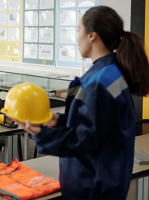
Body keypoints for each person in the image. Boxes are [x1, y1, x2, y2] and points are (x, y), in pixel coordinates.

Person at [12, 6, 149, 200]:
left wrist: (41, 134)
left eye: (78, 30)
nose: (77, 38)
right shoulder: (112, 74)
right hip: (107, 179)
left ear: (92, 36)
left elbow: (87, 137)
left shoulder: (99, 81)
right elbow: (99, 122)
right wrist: (57, 120)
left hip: (92, 187)